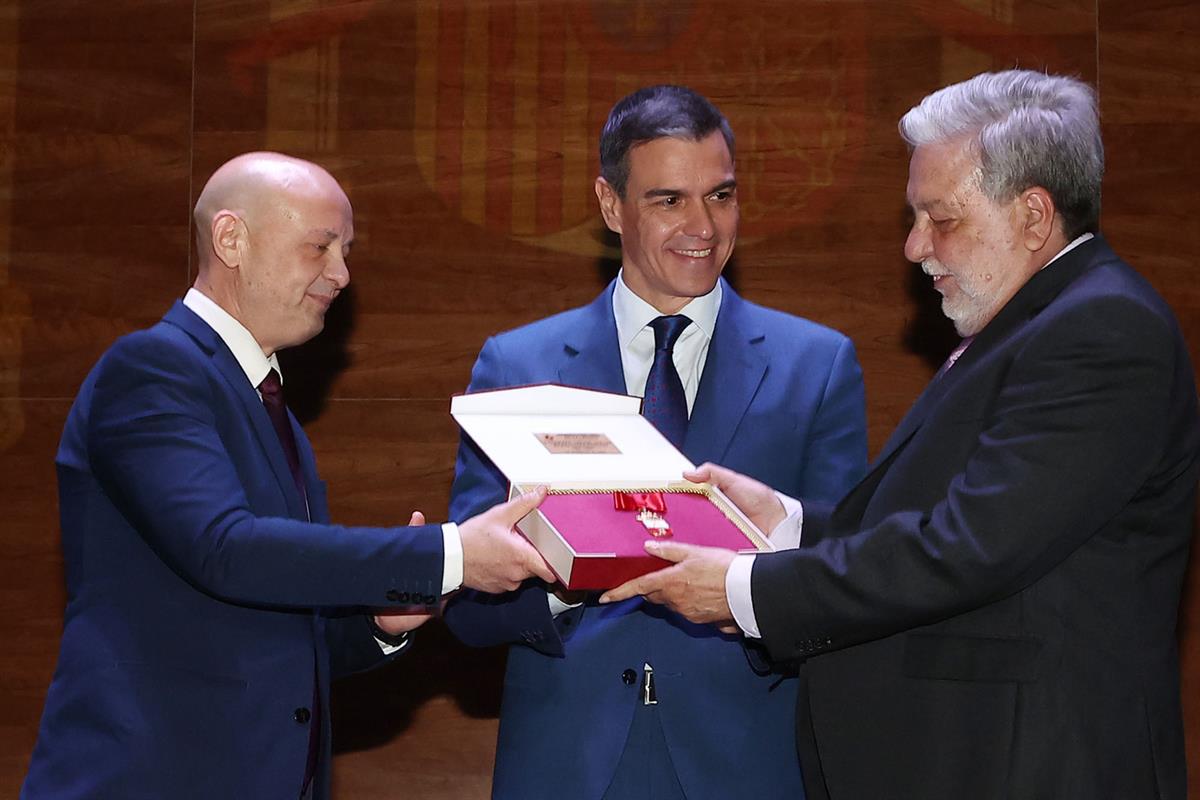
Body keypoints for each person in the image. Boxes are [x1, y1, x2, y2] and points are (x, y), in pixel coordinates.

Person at [603, 70, 1200, 799]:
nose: (915, 247)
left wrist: (741, 588)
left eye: (941, 218)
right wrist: (784, 522)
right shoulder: (1036, 323)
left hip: (1037, 766)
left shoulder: (1102, 330)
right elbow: (938, 520)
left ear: (1033, 217)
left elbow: (968, 545)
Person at [21, 152, 555, 800]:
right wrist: (449, 554)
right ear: (231, 239)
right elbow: (226, 549)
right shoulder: (153, 370)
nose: (342, 273)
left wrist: (375, 625)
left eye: (346, 250)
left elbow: (277, 632)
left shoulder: (271, 410)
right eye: (321, 247)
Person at [444, 85, 867, 800]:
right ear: (611, 206)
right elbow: (466, 608)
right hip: (569, 761)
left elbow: (846, 578)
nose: (702, 225)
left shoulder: (817, 366)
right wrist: (561, 574)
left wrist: (745, 596)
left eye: (721, 195)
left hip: (747, 760)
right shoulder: (519, 367)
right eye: (668, 199)